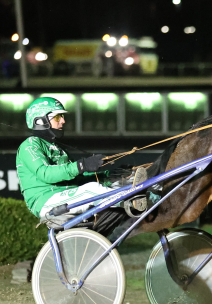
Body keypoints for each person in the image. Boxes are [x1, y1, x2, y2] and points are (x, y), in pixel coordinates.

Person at [15, 96, 147, 227]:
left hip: (63, 196)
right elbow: (45, 173)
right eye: (57, 117)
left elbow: (77, 178)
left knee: (118, 182)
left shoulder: (58, 148)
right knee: (92, 190)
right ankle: (129, 203)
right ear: (40, 121)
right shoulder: (29, 145)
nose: (63, 121)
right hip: (45, 201)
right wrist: (82, 165)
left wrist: (108, 176)